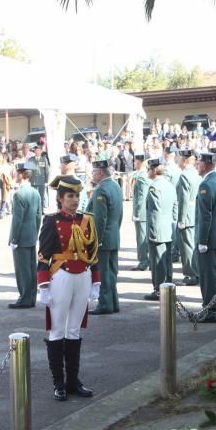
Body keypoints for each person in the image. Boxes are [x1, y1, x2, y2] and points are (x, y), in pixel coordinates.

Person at [36, 175, 100, 401]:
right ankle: (58, 382)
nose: (75, 200)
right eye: (70, 196)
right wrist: (43, 284)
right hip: (60, 276)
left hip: (83, 275)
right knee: (57, 329)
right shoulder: (52, 221)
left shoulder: (87, 220)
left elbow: (93, 252)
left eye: (77, 196)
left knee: (74, 329)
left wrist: (96, 280)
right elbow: (43, 254)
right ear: (60, 199)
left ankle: (73, 380)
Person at [194, 151, 216, 323]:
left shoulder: (206, 185)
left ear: (207, 164)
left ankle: (211, 310)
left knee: (209, 278)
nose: (196, 165)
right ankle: (214, 308)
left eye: (199, 162)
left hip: (210, 240)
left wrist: (202, 241)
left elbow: (205, 217)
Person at [88, 159, 123, 315]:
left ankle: (105, 304)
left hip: (103, 238)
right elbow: (119, 214)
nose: (92, 175)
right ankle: (113, 302)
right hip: (114, 235)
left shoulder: (101, 190)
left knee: (103, 272)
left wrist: (97, 240)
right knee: (111, 271)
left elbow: (99, 219)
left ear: (100, 173)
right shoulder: (115, 186)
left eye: (94, 172)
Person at [7, 161, 43, 309]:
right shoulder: (35, 193)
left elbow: (17, 220)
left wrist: (13, 239)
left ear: (22, 175)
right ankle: (31, 297)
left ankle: (24, 298)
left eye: (17, 173)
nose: (15, 175)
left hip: (21, 237)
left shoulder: (19, 194)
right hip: (31, 235)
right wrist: (35, 232)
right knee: (31, 268)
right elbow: (39, 216)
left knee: (22, 270)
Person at [143, 157, 176, 301]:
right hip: (168, 227)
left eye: (149, 169)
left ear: (155, 170)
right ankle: (168, 286)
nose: (147, 172)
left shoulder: (154, 187)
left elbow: (154, 212)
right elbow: (175, 207)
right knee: (166, 260)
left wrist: (152, 232)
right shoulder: (169, 185)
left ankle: (159, 289)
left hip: (157, 229)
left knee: (157, 262)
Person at [175, 149, 200, 286]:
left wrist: (181, 220)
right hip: (194, 213)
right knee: (192, 245)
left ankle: (190, 274)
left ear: (185, 161)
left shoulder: (184, 175)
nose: (178, 161)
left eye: (179, 158)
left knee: (187, 247)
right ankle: (195, 272)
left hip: (187, 215)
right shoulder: (196, 174)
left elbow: (184, 200)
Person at [129, 154, 150, 271]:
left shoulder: (142, 177)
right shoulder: (143, 175)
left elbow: (141, 197)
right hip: (145, 212)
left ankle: (143, 262)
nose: (134, 163)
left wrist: (137, 213)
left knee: (141, 238)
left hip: (142, 213)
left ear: (141, 162)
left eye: (136, 161)